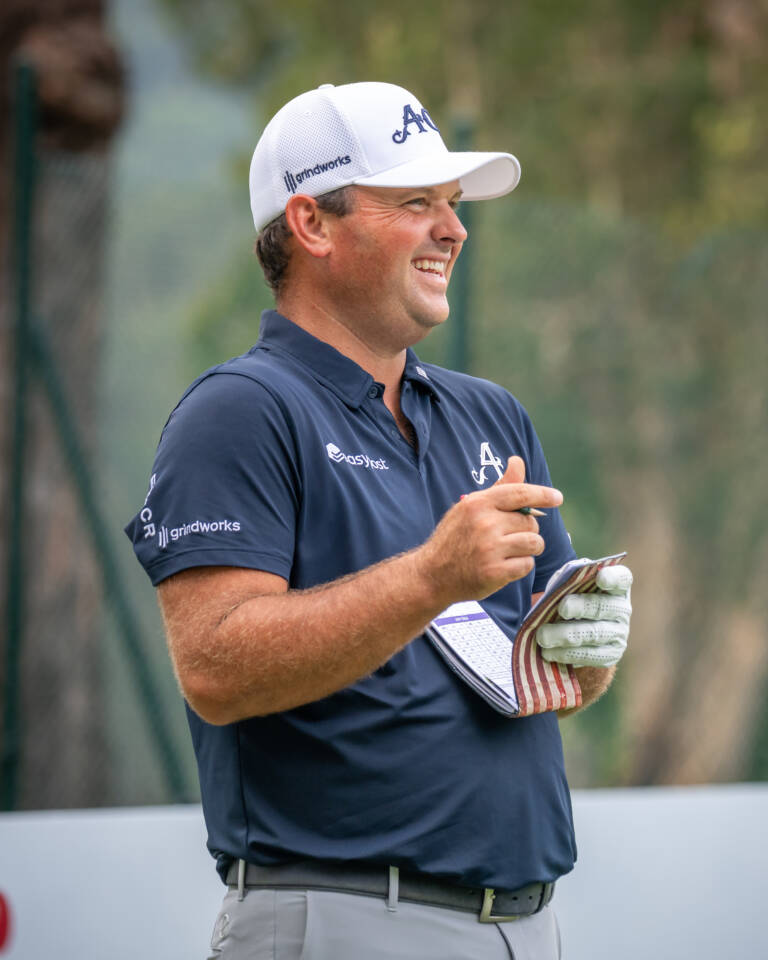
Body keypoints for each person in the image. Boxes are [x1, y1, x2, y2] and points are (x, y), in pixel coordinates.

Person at [126, 81, 632, 960]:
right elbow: (214, 666)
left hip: (528, 922)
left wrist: (586, 656)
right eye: (416, 203)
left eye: (454, 203)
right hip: (345, 917)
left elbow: (548, 680)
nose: (454, 229)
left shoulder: (492, 416)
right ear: (312, 225)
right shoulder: (240, 410)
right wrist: (435, 575)